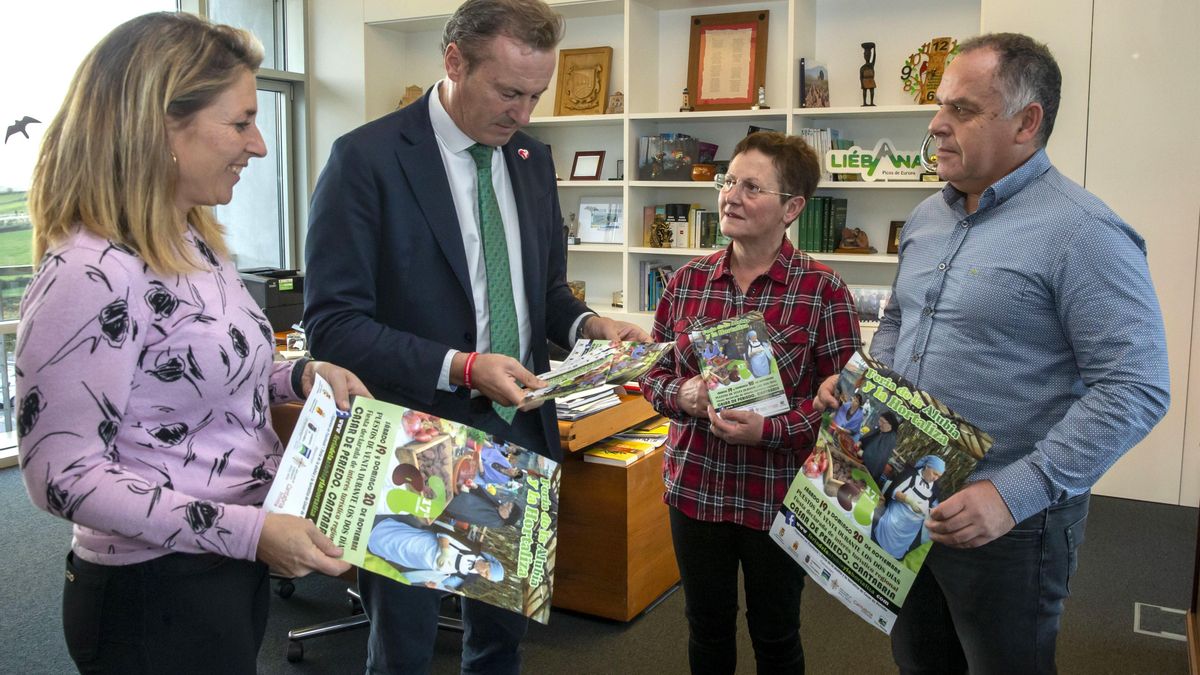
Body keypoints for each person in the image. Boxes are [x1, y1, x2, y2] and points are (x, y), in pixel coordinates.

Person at [15, 13, 370, 674]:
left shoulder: (191, 240)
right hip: (154, 589)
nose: (259, 146)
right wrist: (253, 532)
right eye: (240, 122)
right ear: (160, 125)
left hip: (225, 565)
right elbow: (59, 475)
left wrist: (300, 376)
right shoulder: (90, 275)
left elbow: (211, 374)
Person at [301, 1, 649, 671]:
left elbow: (543, 293)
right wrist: (461, 366)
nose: (522, 112)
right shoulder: (365, 160)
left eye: (536, 95)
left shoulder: (530, 159)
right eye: (508, 91)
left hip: (515, 434)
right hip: (412, 441)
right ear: (454, 61)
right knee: (403, 648)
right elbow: (334, 326)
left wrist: (587, 324)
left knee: (498, 642)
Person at [817, 33, 1169, 674]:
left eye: (963, 110)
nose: (936, 124)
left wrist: (1013, 494)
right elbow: (900, 320)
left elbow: (1135, 385)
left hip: (1010, 521)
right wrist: (859, 384)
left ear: (1026, 122)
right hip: (910, 495)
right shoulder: (927, 217)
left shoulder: (1082, 231)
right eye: (939, 107)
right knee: (921, 659)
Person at [640, 130, 861, 674]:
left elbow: (845, 407)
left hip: (778, 495)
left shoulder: (823, 290)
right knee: (706, 631)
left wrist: (770, 431)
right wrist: (684, 396)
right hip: (696, 487)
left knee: (776, 635)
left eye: (752, 186)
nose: (731, 196)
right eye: (729, 180)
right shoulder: (687, 281)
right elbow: (652, 374)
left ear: (793, 208)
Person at [368, 516, 504, 591]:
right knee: (397, 539)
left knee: (393, 551)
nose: (483, 575)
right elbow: (446, 532)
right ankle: (370, 527)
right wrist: (445, 551)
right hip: (425, 543)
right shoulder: (472, 549)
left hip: (419, 561)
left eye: (486, 577)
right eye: (487, 572)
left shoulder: (467, 577)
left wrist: (437, 586)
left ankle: (369, 544)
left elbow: (446, 584)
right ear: (488, 563)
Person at [872, 455, 944, 560]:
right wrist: (910, 501)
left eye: (939, 476)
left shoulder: (935, 489)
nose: (935, 478)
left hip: (911, 530)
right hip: (896, 517)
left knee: (894, 553)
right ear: (927, 467)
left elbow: (935, 508)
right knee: (880, 540)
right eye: (934, 473)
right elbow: (895, 492)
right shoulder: (910, 475)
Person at [860, 410, 901, 482]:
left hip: (869, 471)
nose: (879, 423)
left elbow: (878, 458)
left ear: (890, 425)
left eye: (882, 422)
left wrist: (863, 454)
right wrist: (860, 441)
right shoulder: (880, 429)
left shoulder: (890, 439)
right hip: (860, 461)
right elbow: (867, 437)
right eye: (879, 420)